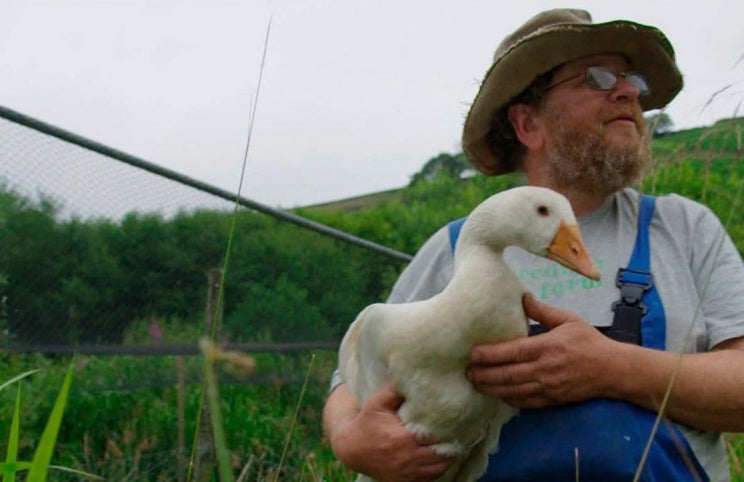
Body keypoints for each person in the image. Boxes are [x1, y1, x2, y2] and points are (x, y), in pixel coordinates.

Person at [323, 8, 744, 482]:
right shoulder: (453, 247)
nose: (628, 92)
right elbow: (352, 379)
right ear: (528, 125)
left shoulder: (685, 228)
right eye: (598, 77)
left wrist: (617, 368)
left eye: (632, 81)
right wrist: (351, 440)